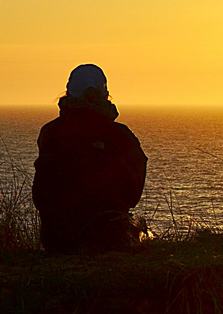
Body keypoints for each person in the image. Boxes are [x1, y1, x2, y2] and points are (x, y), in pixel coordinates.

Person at [32, 64, 148, 253]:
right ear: (105, 94)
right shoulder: (121, 136)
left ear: (68, 93)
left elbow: (43, 195)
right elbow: (132, 194)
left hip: (57, 239)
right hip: (109, 238)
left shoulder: (50, 132)